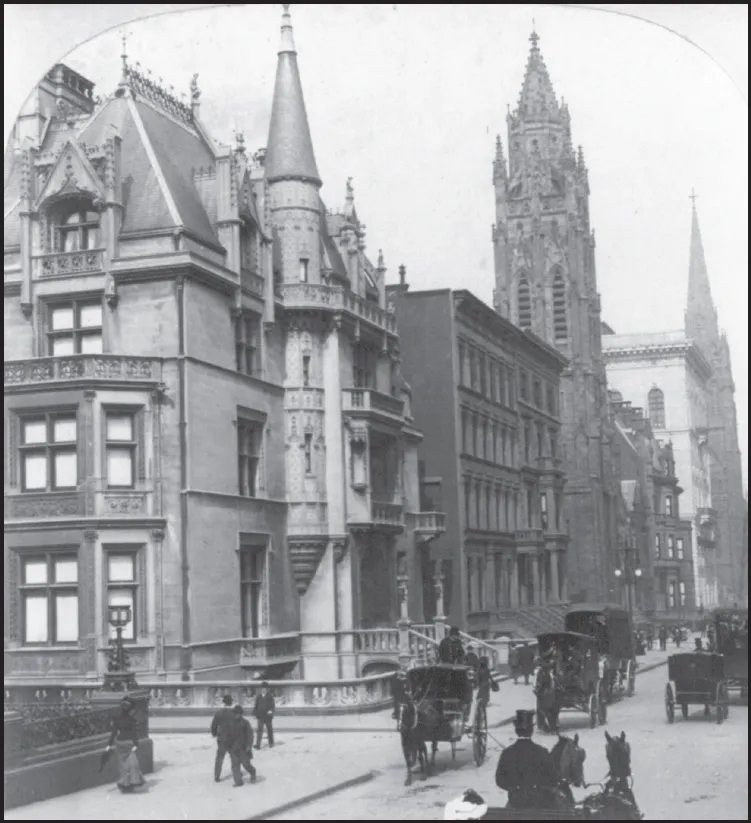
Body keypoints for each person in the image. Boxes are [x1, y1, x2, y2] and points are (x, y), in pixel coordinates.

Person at [495, 709, 564, 810]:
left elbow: (499, 780)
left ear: (516, 730)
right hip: (539, 804)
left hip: (515, 803)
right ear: (531, 730)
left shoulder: (507, 753)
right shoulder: (542, 752)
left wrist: (515, 788)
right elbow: (553, 777)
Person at [105, 697, 146, 793]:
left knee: (122, 764)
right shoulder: (132, 720)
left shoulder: (116, 719)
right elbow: (133, 733)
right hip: (129, 743)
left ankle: (124, 783)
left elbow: (114, 733)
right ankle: (132, 781)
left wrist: (109, 744)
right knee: (132, 764)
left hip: (120, 743)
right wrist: (136, 744)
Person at [228, 705, 257, 787]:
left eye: (238, 714)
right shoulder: (230, 723)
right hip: (233, 748)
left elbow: (250, 735)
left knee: (246, 764)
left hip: (243, 748)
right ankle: (238, 782)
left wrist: (249, 746)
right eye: (235, 713)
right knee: (235, 766)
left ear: (241, 714)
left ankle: (253, 772)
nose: (236, 715)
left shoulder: (245, 723)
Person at [210, 694, 235, 782]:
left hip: (222, 738)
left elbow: (214, 726)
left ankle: (217, 775)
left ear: (224, 703)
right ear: (231, 703)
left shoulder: (219, 713)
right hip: (232, 739)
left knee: (220, 757)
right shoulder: (235, 713)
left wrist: (214, 734)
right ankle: (236, 773)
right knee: (234, 756)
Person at [253, 682, 275, 750]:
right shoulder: (259, 696)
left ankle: (271, 743)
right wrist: (255, 713)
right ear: (261, 689)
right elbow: (256, 706)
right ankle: (258, 744)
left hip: (268, 716)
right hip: (260, 716)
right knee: (259, 730)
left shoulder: (270, 696)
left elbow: (273, 706)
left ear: (267, 689)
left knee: (269, 729)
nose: (264, 690)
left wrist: (271, 711)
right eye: (262, 688)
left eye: (265, 688)